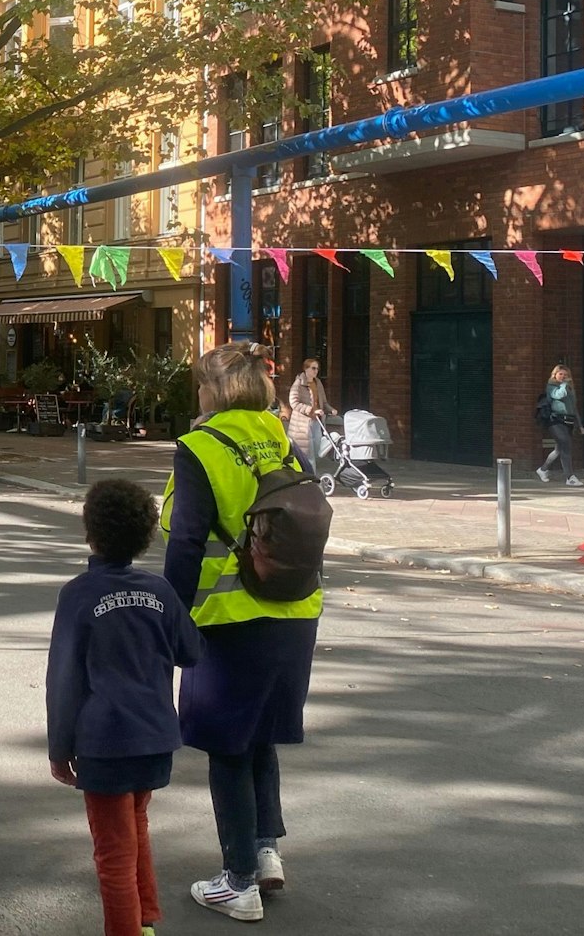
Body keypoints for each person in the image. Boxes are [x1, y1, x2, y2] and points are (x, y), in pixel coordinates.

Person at [161, 341, 323, 922]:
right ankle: (265, 851)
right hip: (296, 609)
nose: (197, 394)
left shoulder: (200, 446)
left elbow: (185, 540)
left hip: (229, 618)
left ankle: (238, 882)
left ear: (216, 390)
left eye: (201, 385)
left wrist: (170, 616)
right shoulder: (282, 437)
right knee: (259, 737)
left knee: (227, 745)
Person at [48, 479, 201, 936]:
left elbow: (64, 679)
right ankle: (146, 918)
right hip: (154, 738)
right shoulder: (160, 592)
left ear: (89, 532)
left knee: (113, 852)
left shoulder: (78, 595)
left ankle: (127, 929)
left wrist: (60, 746)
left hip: (104, 741)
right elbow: (190, 651)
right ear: (146, 534)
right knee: (136, 826)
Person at [536, 363, 584, 486]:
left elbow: (573, 408)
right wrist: (563, 384)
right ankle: (570, 477)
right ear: (555, 375)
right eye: (560, 374)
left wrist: (579, 424)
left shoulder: (569, 388)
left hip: (568, 421)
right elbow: (558, 395)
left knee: (559, 449)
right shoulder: (551, 386)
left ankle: (543, 469)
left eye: (565, 375)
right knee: (566, 445)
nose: (563, 376)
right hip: (556, 421)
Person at [285, 358, 336, 467]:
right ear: (306, 369)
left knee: (317, 449)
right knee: (308, 454)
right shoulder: (298, 383)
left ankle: (307, 473)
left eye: (317, 369)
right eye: (313, 368)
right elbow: (293, 402)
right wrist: (310, 410)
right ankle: (311, 478)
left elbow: (323, 402)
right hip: (302, 424)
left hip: (317, 421)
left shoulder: (318, 383)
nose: (315, 371)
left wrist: (330, 409)